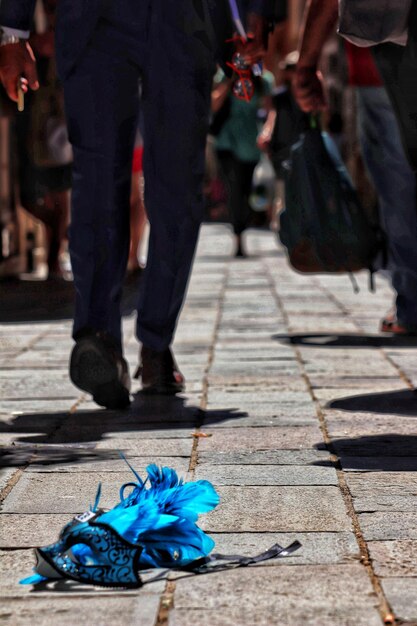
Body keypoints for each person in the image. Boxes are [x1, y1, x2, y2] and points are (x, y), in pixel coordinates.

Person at [0, 0, 273, 409]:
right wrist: (12, 31)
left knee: (178, 188)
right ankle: (98, 338)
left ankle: (156, 340)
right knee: (97, 179)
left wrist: (252, 11)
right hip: (95, 19)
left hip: (184, 18)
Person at [292, 0, 417, 336]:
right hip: (380, 63)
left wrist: (305, 63)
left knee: (398, 184)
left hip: (382, 58)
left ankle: (412, 303)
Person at [212, 66, 274, 257]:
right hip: (226, 141)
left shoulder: (263, 80)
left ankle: (242, 227)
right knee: (234, 189)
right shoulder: (224, 76)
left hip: (249, 143)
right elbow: (214, 104)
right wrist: (229, 81)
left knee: (245, 190)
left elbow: (270, 109)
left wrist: (267, 131)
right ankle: (238, 235)